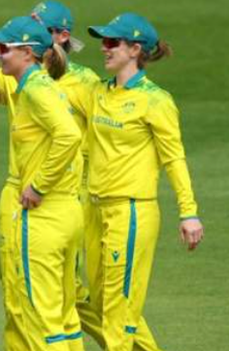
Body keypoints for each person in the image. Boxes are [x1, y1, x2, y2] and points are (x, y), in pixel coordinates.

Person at [30, 3, 164, 350]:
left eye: (40, 29)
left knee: (89, 294)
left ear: (62, 36)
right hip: (45, 198)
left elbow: (108, 138)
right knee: (80, 293)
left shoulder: (87, 83)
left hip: (77, 198)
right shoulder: (21, 75)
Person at [79, 13, 204, 351]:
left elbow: (173, 158)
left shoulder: (155, 100)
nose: (103, 49)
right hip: (95, 211)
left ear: (135, 49)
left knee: (119, 314)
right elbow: (62, 78)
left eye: (111, 43)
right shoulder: (96, 92)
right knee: (105, 305)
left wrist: (188, 212)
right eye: (102, 42)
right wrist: (57, 40)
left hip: (131, 213)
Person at [0, 16, 84, 351]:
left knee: (38, 318)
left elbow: (70, 136)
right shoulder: (43, 86)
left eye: (3, 49)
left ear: (28, 53)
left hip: (44, 218)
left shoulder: (37, 91)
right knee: (64, 318)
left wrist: (39, 185)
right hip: (67, 212)